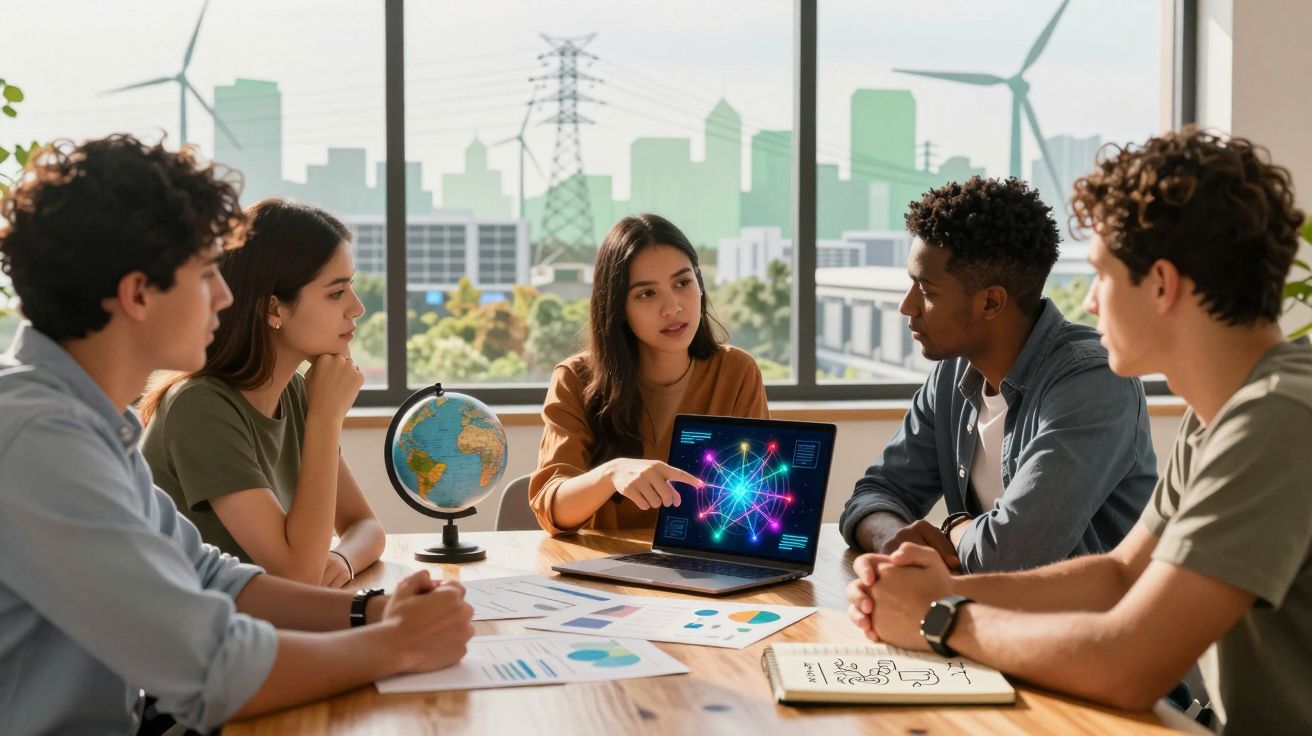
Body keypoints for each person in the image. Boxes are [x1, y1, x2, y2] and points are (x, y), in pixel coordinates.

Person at [0, 135, 473, 735]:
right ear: (138, 293)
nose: (226, 296)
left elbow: (210, 576)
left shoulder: (87, 421)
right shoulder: (39, 439)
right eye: (206, 275)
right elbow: (212, 668)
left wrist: (373, 610)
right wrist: (398, 645)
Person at [845, 127, 1311, 734]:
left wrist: (942, 615)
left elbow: (1133, 661)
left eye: (1101, 275)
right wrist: (940, 586)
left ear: (1163, 285)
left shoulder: (1277, 417)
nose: (1090, 303)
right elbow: (1120, 574)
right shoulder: (1220, 412)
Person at [838, 176, 1157, 573]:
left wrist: (954, 527)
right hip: (983, 617)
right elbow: (874, 494)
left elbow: (1010, 554)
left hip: (1089, 627)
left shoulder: (1093, 381)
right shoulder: (953, 375)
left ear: (991, 302)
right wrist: (890, 537)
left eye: (927, 291)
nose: (907, 306)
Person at [140, 198, 384, 588]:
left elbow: (365, 525)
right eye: (336, 293)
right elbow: (298, 573)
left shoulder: (295, 394)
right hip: (199, 636)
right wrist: (327, 417)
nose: (356, 308)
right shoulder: (200, 408)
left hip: (265, 623)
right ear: (274, 308)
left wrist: (342, 559)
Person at [530, 213, 770, 535]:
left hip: (705, 570)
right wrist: (611, 474)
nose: (672, 307)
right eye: (647, 293)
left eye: (683, 283)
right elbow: (552, 509)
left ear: (700, 286)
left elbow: (756, 501)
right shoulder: (575, 379)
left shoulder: (737, 372)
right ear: (617, 307)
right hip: (606, 574)